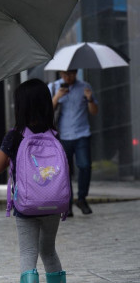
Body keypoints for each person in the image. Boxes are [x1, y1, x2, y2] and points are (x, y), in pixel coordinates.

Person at [0, 79, 69, 283]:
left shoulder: (14, 136)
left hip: (26, 206)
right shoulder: (54, 135)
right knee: (48, 249)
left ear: (20, 107)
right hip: (53, 204)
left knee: (28, 251)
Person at [48, 70, 98, 215]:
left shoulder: (85, 86)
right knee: (64, 172)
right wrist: (57, 97)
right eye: (63, 74)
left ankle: (81, 198)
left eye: (70, 74)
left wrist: (89, 99)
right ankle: (67, 203)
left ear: (76, 73)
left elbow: (94, 111)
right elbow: (47, 111)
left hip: (82, 134)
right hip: (62, 136)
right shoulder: (53, 87)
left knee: (85, 166)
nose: (67, 77)